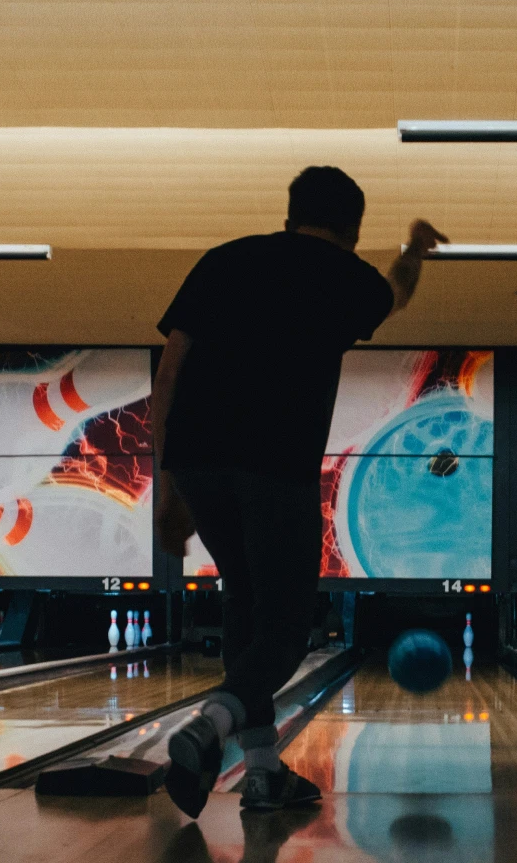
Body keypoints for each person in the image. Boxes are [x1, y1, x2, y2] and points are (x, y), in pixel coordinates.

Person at [151, 166, 446, 815]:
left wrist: (167, 493)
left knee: (245, 607)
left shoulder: (221, 261)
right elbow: (395, 292)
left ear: (289, 213)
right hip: (274, 466)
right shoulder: (345, 278)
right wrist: (414, 250)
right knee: (283, 628)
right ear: (352, 229)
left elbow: (168, 375)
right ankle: (211, 728)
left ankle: (262, 774)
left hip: (199, 464)